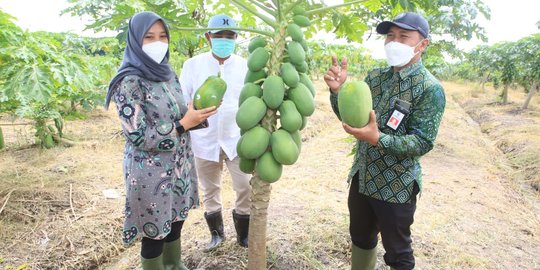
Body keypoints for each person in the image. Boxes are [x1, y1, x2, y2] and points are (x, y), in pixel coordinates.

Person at [324, 12, 446, 270]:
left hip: (396, 186)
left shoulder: (429, 88)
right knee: (361, 239)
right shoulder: (375, 77)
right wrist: (337, 93)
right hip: (363, 177)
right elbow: (354, 120)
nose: (395, 41)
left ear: (422, 44)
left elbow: (422, 143)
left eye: (404, 36)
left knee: (398, 252)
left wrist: (379, 139)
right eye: (390, 35)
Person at [105, 11, 217, 269]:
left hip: (178, 165)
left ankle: (174, 265)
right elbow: (137, 134)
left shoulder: (168, 73)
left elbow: (182, 115)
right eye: (149, 37)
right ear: (135, 41)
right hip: (150, 172)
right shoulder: (128, 81)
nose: (158, 42)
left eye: (163, 36)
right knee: (154, 230)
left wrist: (198, 113)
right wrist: (181, 125)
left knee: (176, 220)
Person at [179, 14, 251, 251]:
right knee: (210, 189)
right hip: (203, 140)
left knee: (245, 186)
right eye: (219, 35)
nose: (224, 39)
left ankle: (244, 236)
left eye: (229, 35)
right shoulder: (193, 65)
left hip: (236, 139)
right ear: (208, 37)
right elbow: (183, 101)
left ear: (236, 37)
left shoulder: (245, 66)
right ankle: (217, 235)